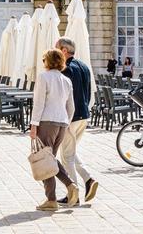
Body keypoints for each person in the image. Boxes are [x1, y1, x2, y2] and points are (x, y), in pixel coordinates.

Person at [30, 48, 80, 212]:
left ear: (47, 61)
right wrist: (66, 122)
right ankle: (65, 188)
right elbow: (71, 107)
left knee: (46, 160)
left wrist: (33, 125)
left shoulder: (44, 77)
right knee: (50, 158)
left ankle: (55, 196)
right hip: (62, 123)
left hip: (46, 121)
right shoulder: (66, 80)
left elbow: (39, 103)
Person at [55, 37, 99, 206]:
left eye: (57, 49)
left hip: (70, 117)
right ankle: (88, 179)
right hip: (84, 115)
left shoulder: (65, 70)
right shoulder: (84, 66)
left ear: (64, 51)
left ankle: (73, 194)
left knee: (66, 156)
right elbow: (88, 92)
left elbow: (64, 97)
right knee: (70, 153)